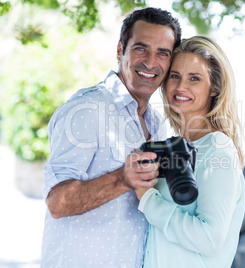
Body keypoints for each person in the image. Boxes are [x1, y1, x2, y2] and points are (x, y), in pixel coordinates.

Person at [40, 7, 181, 267]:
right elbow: (57, 203)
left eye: (163, 53)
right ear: (120, 50)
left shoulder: (156, 123)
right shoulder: (86, 109)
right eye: (141, 48)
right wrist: (121, 179)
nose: (150, 62)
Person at [135, 36, 245, 268]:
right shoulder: (175, 145)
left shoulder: (217, 150)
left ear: (214, 89)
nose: (180, 87)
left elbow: (209, 239)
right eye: (175, 76)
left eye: (194, 78)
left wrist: (148, 199)